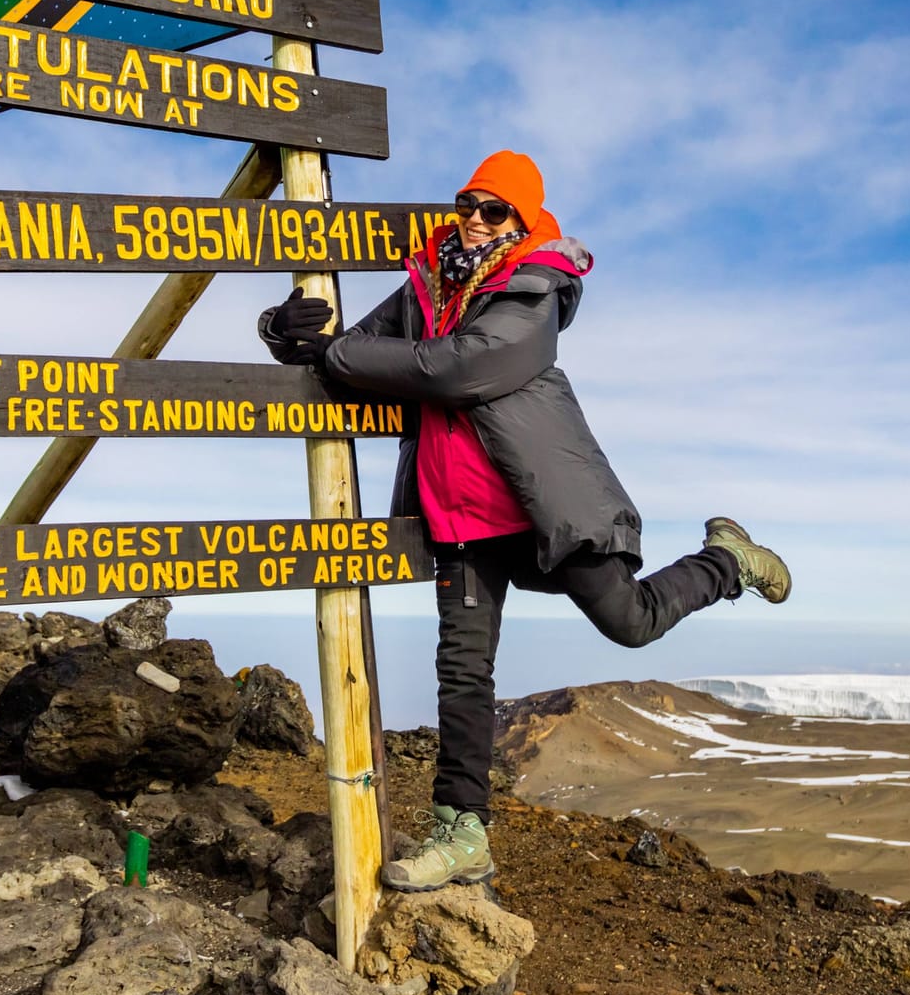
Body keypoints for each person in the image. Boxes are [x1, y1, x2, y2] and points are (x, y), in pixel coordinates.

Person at [258, 149, 792, 893]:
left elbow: (456, 367)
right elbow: (353, 347)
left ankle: (727, 560)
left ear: (523, 218)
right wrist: (282, 330)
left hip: (542, 510)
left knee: (629, 621)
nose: (475, 221)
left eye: (494, 209)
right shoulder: (427, 282)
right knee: (463, 673)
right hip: (457, 517)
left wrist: (338, 351)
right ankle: (461, 832)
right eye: (467, 204)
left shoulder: (535, 289)